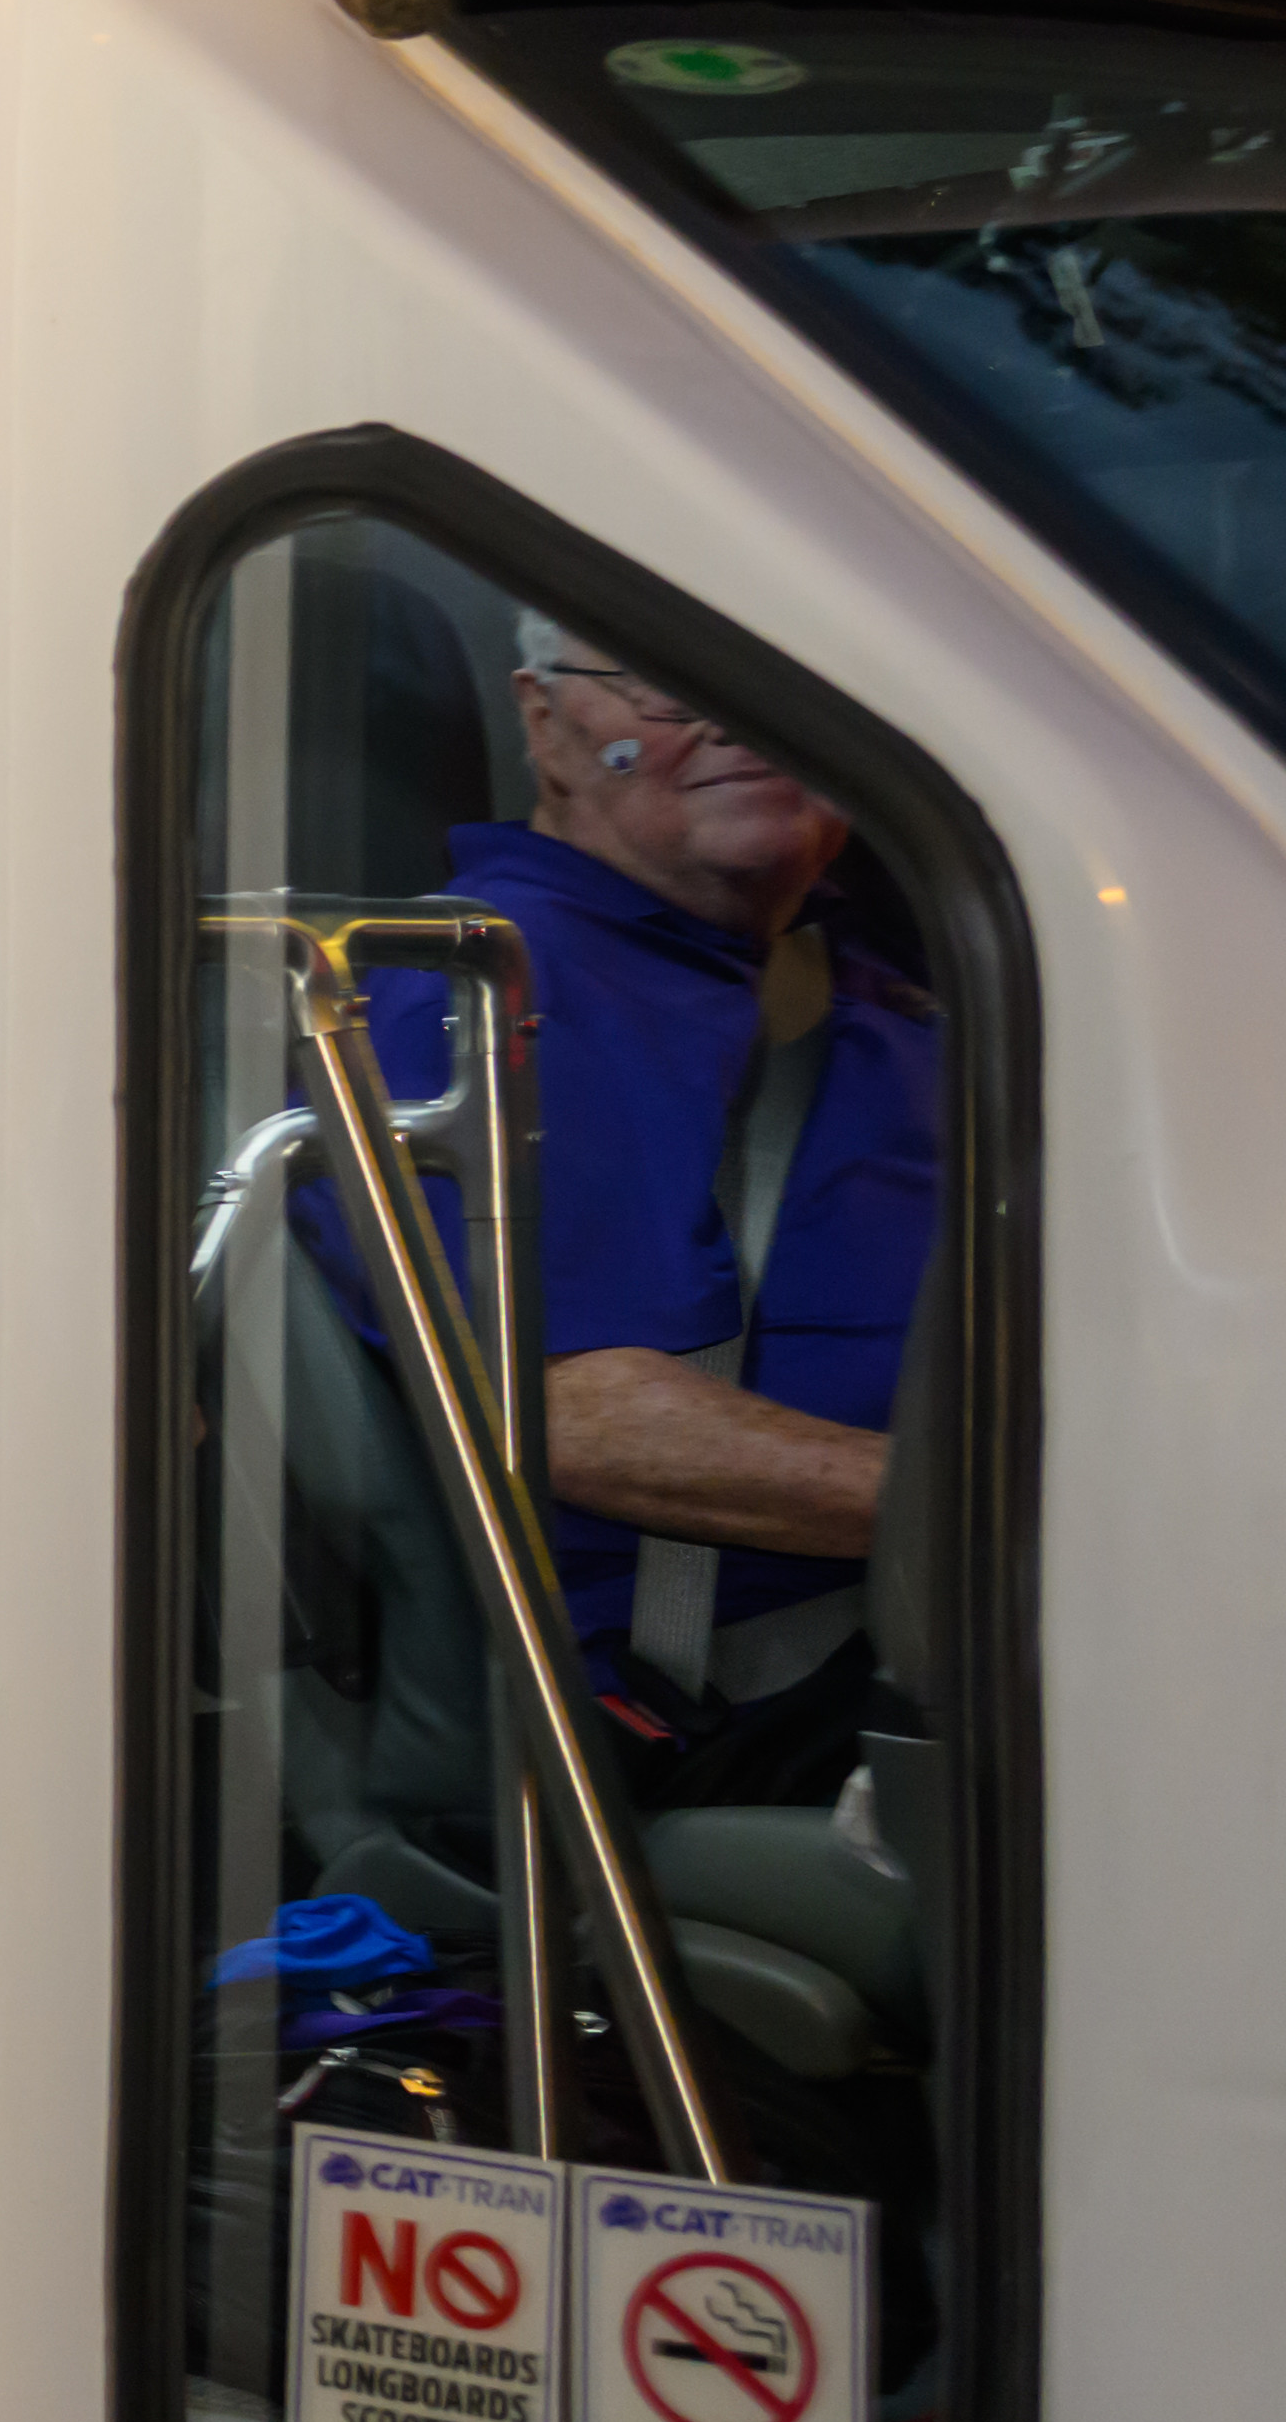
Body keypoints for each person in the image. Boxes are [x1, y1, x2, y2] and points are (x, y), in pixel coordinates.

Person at [360, 622, 944, 1796]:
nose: (738, 716)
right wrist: (1007, 1516)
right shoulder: (480, 991)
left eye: (788, 670)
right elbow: (571, 1407)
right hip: (763, 1703)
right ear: (545, 723)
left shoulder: (891, 965)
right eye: (667, 675)